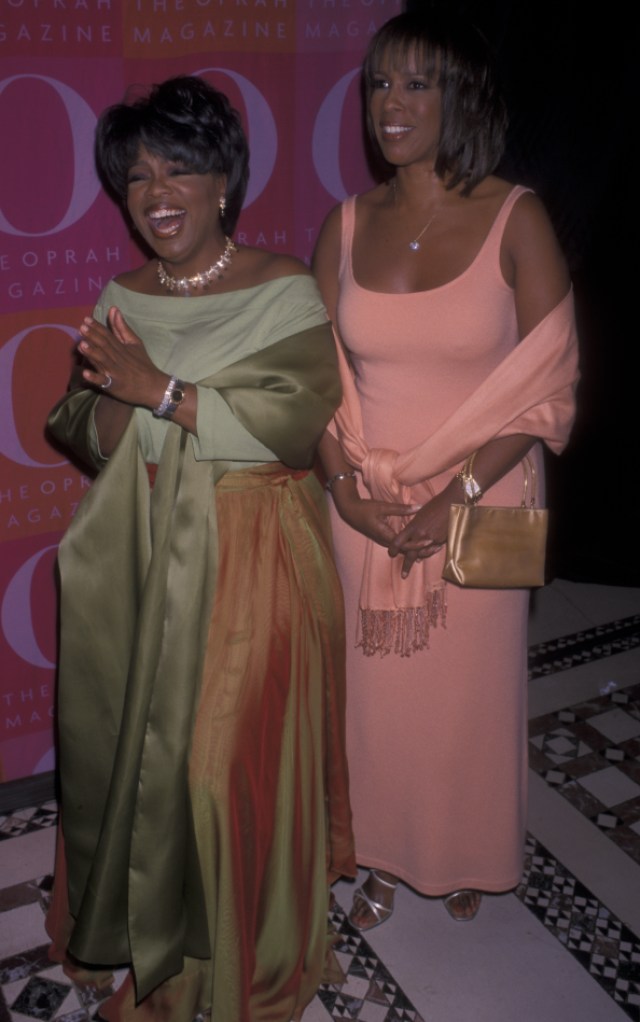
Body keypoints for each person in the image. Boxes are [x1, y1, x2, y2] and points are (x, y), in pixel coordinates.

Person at [45, 74, 355, 1021]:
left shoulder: (283, 286)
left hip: (257, 552)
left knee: (219, 765)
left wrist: (161, 392)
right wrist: (121, 402)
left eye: (180, 167)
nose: (157, 192)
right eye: (136, 177)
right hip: (143, 552)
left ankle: (239, 961)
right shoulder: (122, 293)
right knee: (141, 755)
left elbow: (297, 424)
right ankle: (146, 929)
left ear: (225, 179)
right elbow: (76, 420)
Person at [312, 11, 578, 930]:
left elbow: (549, 382)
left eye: (418, 83)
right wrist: (347, 490)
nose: (392, 103)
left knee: (469, 696)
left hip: (486, 498)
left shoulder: (516, 216)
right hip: (370, 504)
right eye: (380, 83)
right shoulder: (344, 225)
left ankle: (465, 848)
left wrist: (457, 492)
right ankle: (380, 854)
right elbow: (310, 377)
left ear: (461, 96)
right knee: (376, 701)